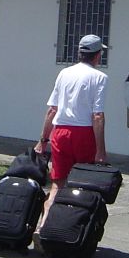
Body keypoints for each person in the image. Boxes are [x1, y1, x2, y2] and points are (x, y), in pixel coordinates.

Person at [33, 34, 108, 241]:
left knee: (57, 184)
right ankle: (71, 232)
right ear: (97, 55)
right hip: (83, 133)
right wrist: (101, 151)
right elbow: (98, 116)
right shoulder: (100, 77)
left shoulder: (64, 73)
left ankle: (42, 228)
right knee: (82, 185)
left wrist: (43, 140)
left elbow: (52, 110)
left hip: (60, 132)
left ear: (80, 53)